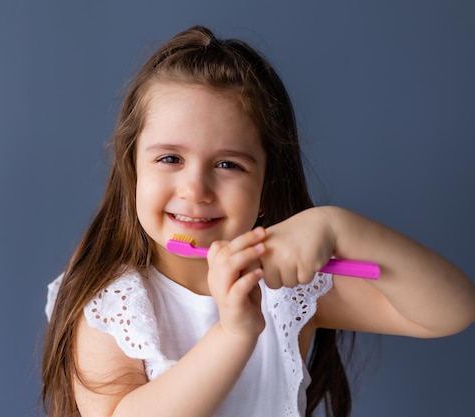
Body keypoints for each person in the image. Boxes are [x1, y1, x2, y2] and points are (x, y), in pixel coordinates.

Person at [41, 25, 475, 417]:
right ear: (132, 170)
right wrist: (234, 334)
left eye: (228, 164)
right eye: (170, 158)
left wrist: (339, 227)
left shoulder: (287, 290)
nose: (195, 189)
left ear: (267, 184)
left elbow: (451, 312)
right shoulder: (111, 303)